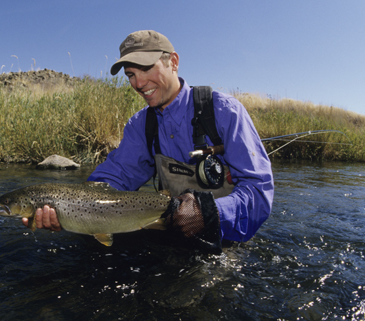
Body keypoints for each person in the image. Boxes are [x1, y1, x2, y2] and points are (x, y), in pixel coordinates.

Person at [23, 30, 274, 252]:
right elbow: (116, 176)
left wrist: (210, 212)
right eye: (131, 74)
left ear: (173, 62)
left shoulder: (224, 111)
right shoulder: (140, 125)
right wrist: (69, 210)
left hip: (225, 241)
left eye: (146, 68)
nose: (139, 84)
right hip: (171, 233)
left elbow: (259, 194)